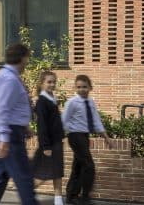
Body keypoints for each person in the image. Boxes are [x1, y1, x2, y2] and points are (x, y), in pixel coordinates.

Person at [0, 42, 36, 205]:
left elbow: (8, 108)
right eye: (27, 57)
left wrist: (24, 126)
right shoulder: (9, 79)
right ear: (22, 58)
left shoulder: (4, 76)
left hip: (9, 131)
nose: (28, 61)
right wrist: (4, 139)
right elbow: (2, 110)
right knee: (24, 179)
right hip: (9, 135)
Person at [62, 74, 113, 205]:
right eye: (79, 87)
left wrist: (106, 137)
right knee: (89, 166)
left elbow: (96, 120)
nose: (82, 89)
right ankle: (85, 197)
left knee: (78, 167)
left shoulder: (90, 102)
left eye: (84, 87)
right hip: (75, 136)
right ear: (75, 87)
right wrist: (63, 134)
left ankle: (71, 196)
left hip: (84, 136)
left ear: (90, 87)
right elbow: (64, 121)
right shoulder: (72, 102)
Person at [32, 70, 66, 205]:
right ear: (42, 83)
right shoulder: (42, 101)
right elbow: (42, 125)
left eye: (54, 82)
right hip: (49, 144)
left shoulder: (52, 98)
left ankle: (58, 200)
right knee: (44, 175)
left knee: (57, 172)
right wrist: (45, 146)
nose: (52, 84)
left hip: (57, 141)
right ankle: (26, 192)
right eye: (49, 82)